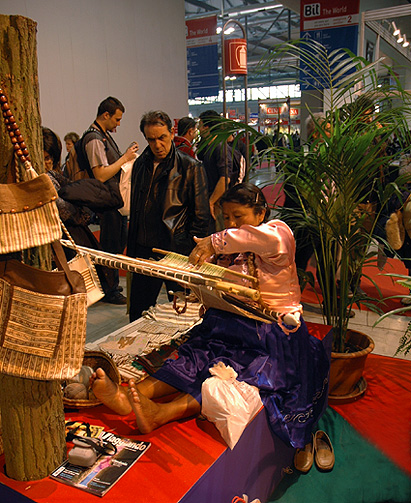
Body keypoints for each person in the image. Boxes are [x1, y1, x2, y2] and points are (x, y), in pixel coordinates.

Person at [91, 183, 330, 450]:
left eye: (238, 216)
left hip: (271, 333)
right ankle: (126, 397)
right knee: (194, 357)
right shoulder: (228, 249)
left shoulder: (278, 234)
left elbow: (258, 239)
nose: (231, 223)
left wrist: (214, 242)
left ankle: (162, 413)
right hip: (229, 325)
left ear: (261, 214)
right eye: (226, 217)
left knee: (227, 374)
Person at [127, 110, 210, 322]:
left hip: (176, 250)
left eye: (162, 137)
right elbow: (136, 209)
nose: (157, 144)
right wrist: (132, 250)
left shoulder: (190, 167)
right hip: (144, 249)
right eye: (151, 139)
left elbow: (201, 216)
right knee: (138, 313)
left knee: (186, 312)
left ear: (172, 133)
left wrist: (190, 252)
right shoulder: (140, 165)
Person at [42, 127, 121, 297]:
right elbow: (61, 208)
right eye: (45, 158)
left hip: (66, 241)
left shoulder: (53, 176)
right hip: (56, 245)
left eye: (48, 158)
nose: (46, 163)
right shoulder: (46, 178)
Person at [83, 97, 139, 304]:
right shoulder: (94, 139)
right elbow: (100, 175)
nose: (118, 124)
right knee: (110, 246)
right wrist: (124, 158)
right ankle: (109, 288)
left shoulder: (102, 136)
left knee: (116, 244)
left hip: (113, 201)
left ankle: (111, 284)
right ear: (105, 115)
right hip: (107, 203)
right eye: (117, 119)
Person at [197, 110, 233, 232]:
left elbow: (225, 178)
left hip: (219, 203)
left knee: (220, 235)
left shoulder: (219, 147)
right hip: (214, 200)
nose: (199, 129)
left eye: (200, 125)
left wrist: (211, 202)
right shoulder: (210, 146)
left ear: (207, 127)